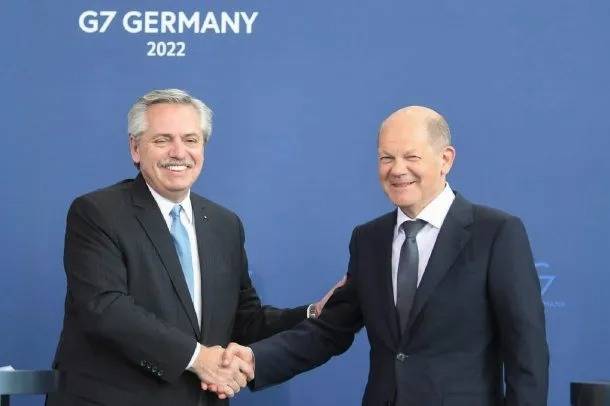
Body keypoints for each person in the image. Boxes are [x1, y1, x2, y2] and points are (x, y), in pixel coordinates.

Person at [218, 106, 549, 405]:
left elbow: (527, 352)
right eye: (386, 158)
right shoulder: (369, 239)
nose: (397, 169)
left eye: (411, 157)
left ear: (446, 159)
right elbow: (330, 329)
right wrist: (255, 359)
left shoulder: (495, 233)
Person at [47, 89, 341, 406]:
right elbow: (105, 309)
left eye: (191, 139)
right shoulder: (98, 212)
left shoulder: (224, 225)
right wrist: (198, 358)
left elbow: (245, 322)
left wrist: (312, 313)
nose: (179, 152)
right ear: (135, 148)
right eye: (162, 140)